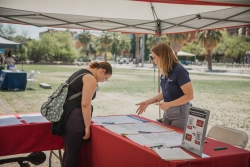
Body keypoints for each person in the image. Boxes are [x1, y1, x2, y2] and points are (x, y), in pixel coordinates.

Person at [51, 61, 112, 167]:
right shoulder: (90, 78)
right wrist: (87, 125)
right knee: (73, 154)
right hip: (75, 117)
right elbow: (85, 104)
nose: (103, 81)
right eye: (106, 78)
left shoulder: (80, 72)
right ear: (102, 71)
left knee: (69, 152)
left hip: (66, 115)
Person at [135, 42, 193, 130]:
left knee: (176, 140)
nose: (153, 61)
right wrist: (147, 102)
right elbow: (165, 93)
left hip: (180, 113)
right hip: (167, 112)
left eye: (154, 58)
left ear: (162, 56)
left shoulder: (180, 71)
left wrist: (169, 104)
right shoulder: (165, 71)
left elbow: (189, 95)